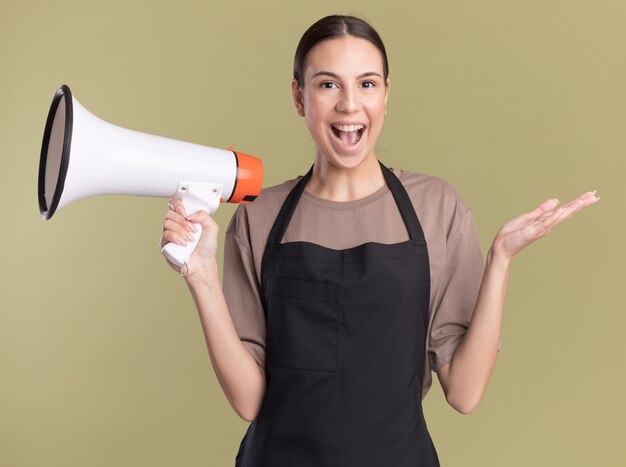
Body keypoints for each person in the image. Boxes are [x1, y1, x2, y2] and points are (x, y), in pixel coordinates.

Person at [159, 15, 599, 467]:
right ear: (298, 95)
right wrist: (201, 277)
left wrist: (501, 259)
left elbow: (465, 393)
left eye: (366, 84)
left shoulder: (437, 207)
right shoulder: (258, 215)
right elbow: (249, 402)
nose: (350, 105)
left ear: (386, 94)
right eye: (328, 85)